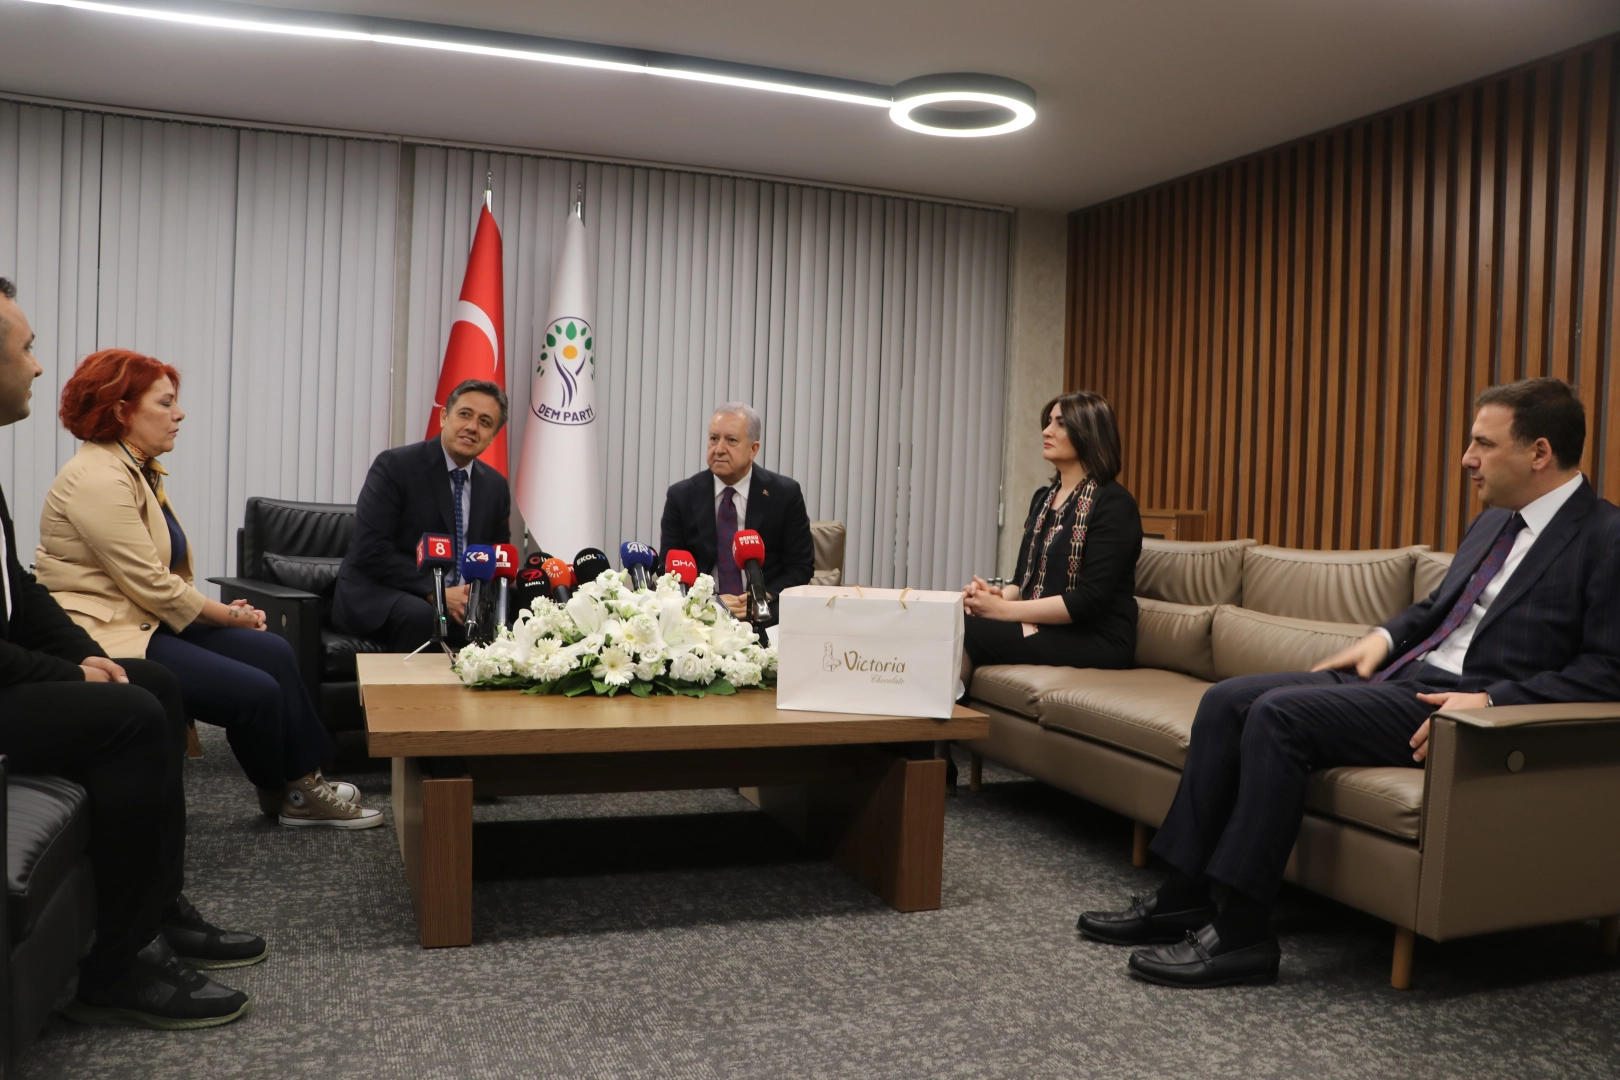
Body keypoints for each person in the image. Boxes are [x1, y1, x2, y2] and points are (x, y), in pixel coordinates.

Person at [1077, 377, 1620, 988]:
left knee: (1279, 716)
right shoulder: (1494, 523)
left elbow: (1608, 669)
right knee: (1227, 699)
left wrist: (1492, 701)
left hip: (1461, 710)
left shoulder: (1606, 537)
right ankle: (1182, 896)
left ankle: (1242, 934)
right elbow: (1438, 607)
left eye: (1482, 444)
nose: (1467, 458)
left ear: (1539, 452)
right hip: (1405, 677)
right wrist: (1381, 639)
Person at [0, 277, 254, 1028]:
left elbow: (18, 591)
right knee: (134, 716)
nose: (38, 366)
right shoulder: (93, 475)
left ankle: (158, 907)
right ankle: (120, 966)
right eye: (27, 348)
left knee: (152, 685)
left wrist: (87, 657)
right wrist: (66, 671)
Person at [35, 349, 379, 830]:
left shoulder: (135, 467)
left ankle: (302, 782)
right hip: (110, 631)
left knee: (273, 652)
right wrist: (227, 615)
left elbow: (163, 577)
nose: (179, 414)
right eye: (165, 403)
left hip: (144, 617)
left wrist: (216, 613)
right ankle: (287, 792)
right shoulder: (97, 478)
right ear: (121, 410)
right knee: (255, 691)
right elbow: (152, 583)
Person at [960, 392, 1142, 684]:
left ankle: (943, 714)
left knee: (965, 630)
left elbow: (1087, 601)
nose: (1046, 431)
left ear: (1089, 433)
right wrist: (991, 599)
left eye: (1060, 423)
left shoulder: (1114, 504)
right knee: (958, 619)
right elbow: (1021, 582)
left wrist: (1003, 610)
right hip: (1045, 627)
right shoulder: (1042, 499)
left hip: (1095, 637)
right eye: (1048, 422)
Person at [333, 379, 511, 652]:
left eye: (485, 422)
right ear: (444, 417)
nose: (472, 427)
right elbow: (372, 550)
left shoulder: (495, 487)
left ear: (493, 436)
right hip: (386, 592)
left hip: (461, 600)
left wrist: (474, 599)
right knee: (422, 616)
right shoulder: (396, 466)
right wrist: (438, 593)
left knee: (513, 617)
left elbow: (498, 559)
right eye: (464, 414)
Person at [658, 402, 814, 625]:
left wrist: (762, 596)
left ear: (753, 449)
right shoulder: (681, 496)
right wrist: (710, 601)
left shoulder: (784, 494)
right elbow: (671, 572)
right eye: (714, 438)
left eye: (731, 440)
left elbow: (800, 567)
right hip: (702, 616)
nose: (719, 449)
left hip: (766, 613)